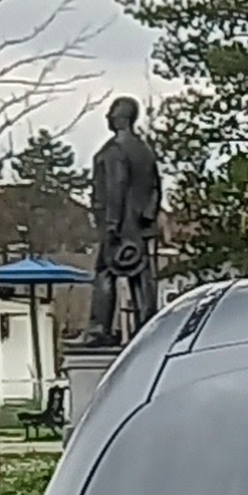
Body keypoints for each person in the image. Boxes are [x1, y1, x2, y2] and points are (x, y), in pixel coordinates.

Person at [84, 96, 162, 348]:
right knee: (141, 275)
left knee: (105, 274)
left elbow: (115, 187)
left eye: (110, 113)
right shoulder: (144, 150)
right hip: (139, 225)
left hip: (119, 225)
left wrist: (111, 224)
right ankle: (148, 324)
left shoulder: (115, 151)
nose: (107, 116)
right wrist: (147, 216)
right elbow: (155, 188)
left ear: (120, 118)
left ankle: (99, 329)